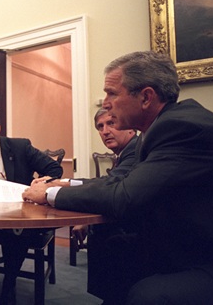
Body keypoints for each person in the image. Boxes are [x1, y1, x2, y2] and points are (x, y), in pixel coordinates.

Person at [23, 51, 213, 304]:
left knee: (145, 294)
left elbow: (123, 196)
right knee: (113, 246)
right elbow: (118, 182)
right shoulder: (157, 129)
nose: (105, 103)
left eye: (112, 93)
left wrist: (49, 193)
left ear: (146, 97)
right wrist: (61, 185)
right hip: (181, 240)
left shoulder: (180, 129)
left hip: (204, 254)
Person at [0, 109, 63, 304]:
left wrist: (40, 184)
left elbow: (55, 169)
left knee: (17, 233)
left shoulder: (19, 147)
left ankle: (9, 285)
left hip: (17, 214)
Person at [70, 108, 138, 301]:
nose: (105, 131)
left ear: (130, 127)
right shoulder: (124, 152)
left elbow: (109, 186)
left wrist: (62, 185)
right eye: (100, 127)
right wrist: (86, 220)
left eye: (111, 123)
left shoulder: (135, 149)